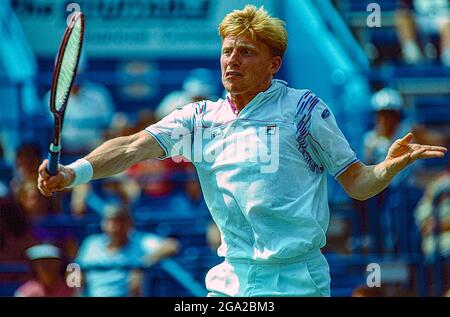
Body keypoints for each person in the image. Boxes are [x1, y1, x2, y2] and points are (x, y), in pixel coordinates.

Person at [37, 5, 447, 297]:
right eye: (227, 51)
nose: (232, 60)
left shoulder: (305, 110)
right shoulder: (199, 117)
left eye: (246, 52)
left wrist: (388, 168)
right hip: (230, 278)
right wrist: (74, 173)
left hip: (296, 280)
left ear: (274, 64)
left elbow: (357, 183)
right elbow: (131, 146)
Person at [75, 204, 179, 297]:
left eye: (120, 221)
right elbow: (75, 269)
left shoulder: (140, 242)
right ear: (104, 224)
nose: (115, 226)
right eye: (111, 221)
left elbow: (172, 245)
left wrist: (142, 263)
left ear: (129, 223)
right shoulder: (91, 243)